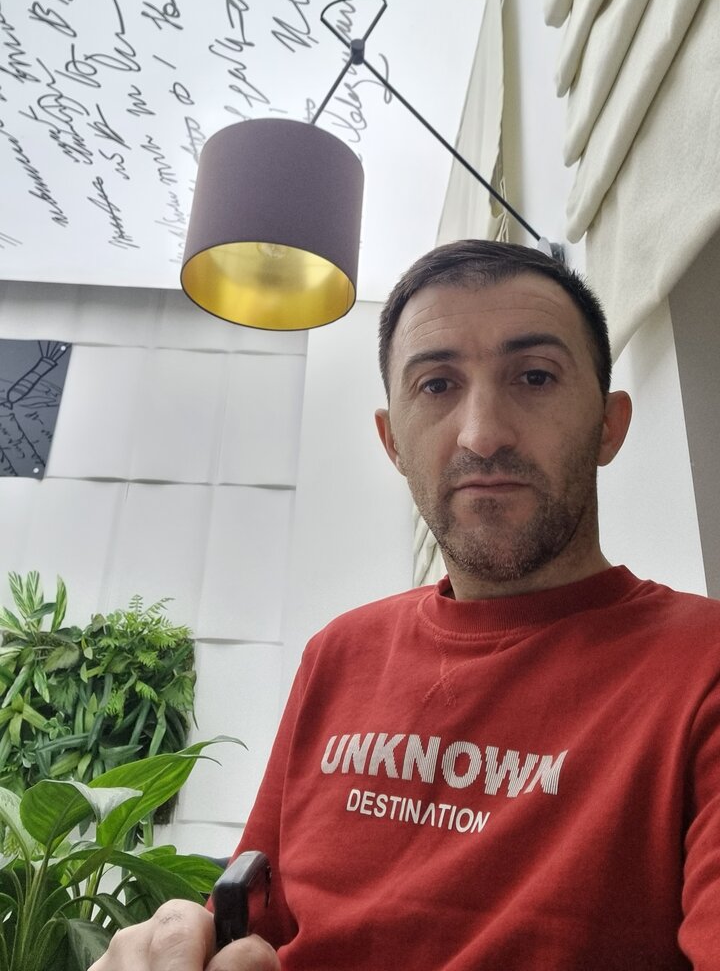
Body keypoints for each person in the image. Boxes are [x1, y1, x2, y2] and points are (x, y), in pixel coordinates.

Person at [92, 240, 720, 970]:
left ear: (609, 424)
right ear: (392, 442)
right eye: (436, 385)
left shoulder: (701, 669)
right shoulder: (339, 652)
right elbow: (250, 923)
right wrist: (176, 945)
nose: (482, 434)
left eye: (535, 376)